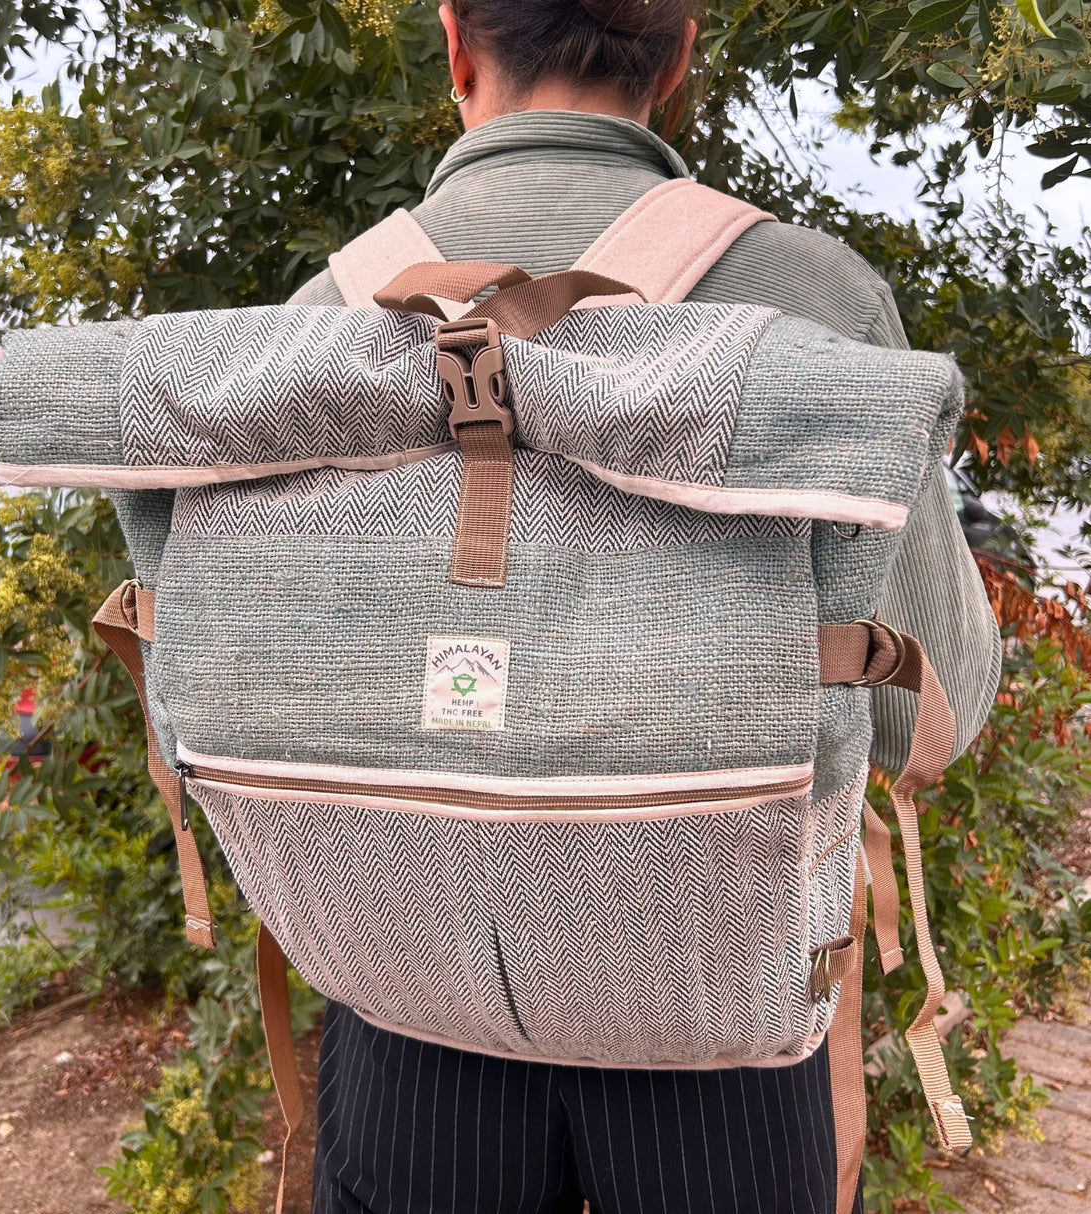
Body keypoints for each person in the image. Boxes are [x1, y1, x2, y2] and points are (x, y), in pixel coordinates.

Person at [288, 2, 1003, 1210]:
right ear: (676, 57)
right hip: (717, 1017)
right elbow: (934, 710)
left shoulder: (324, 312)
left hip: (406, 990)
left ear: (456, 43)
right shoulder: (805, 296)